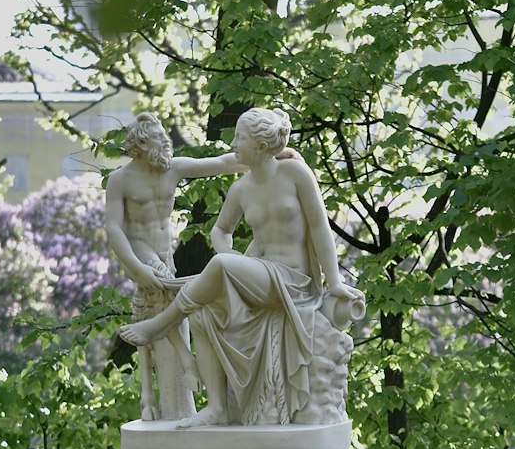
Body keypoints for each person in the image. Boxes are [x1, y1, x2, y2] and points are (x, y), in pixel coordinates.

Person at [120, 108, 361, 427]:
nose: (233, 142)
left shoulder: (295, 174)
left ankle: (162, 322)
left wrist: (334, 282)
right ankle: (217, 408)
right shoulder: (240, 189)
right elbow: (221, 231)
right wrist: (235, 261)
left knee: (220, 265)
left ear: (260, 145)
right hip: (261, 276)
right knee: (205, 314)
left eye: (240, 137)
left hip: (295, 282)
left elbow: (319, 228)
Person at [104, 112, 244, 419]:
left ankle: (172, 402)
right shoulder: (121, 180)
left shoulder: (172, 169)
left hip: (165, 253)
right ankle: (188, 361)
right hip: (139, 252)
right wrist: (136, 268)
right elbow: (114, 228)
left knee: (172, 308)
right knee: (168, 294)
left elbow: (221, 163)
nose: (166, 141)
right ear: (140, 143)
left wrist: (262, 157)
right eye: (158, 137)